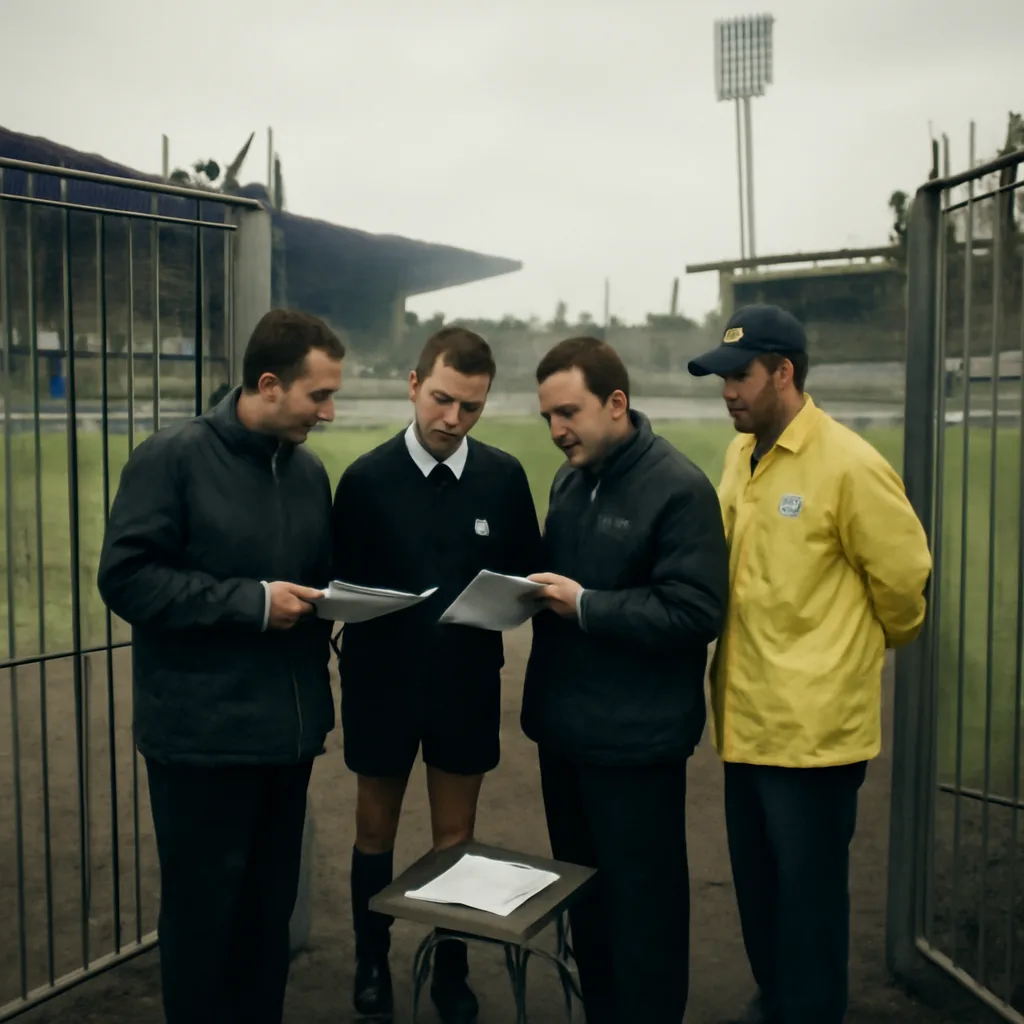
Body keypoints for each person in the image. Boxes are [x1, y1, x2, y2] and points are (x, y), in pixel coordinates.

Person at [96, 309, 345, 1024]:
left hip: (288, 736)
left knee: (269, 922)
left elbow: (313, 580)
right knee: (207, 924)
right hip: (201, 739)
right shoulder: (168, 460)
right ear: (268, 384)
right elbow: (129, 580)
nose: (328, 414)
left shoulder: (308, 473)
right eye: (317, 396)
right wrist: (252, 605)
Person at [686, 304, 932, 1024]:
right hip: (744, 720)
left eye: (740, 375)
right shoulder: (741, 453)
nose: (728, 390)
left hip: (815, 735)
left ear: (783, 372)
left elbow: (905, 584)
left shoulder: (850, 464)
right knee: (760, 898)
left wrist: (842, 655)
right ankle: (778, 1005)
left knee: (811, 907)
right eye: (722, 377)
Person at [331, 326, 543, 1023]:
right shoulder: (364, 480)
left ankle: (451, 964)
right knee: (374, 832)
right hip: (381, 686)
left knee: (456, 838)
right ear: (414, 384)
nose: (453, 420)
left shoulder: (504, 478)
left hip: (466, 685)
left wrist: (514, 600)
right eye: (444, 400)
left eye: (472, 408)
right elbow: (338, 585)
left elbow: (526, 579)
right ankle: (370, 961)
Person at [522, 336, 730, 1024]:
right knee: (588, 908)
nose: (556, 431)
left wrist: (584, 604)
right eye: (547, 416)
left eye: (568, 413)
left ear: (617, 403)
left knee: (646, 915)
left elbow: (694, 610)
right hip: (566, 733)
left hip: (637, 744)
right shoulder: (569, 478)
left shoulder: (678, 487)